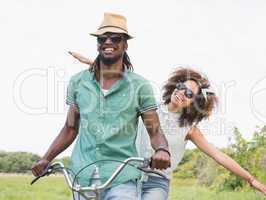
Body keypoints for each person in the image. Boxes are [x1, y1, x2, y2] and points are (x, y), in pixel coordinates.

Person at [69, 52, 266, 200]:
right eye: (181, 87)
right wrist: (94, 64)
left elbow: (218, 155)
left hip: (156, 181)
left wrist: (251, 179)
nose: (181, 93)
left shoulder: (190, 129)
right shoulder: (148, 108)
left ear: (195, 102)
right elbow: (127, 80)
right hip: (127, 175)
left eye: (189, 93)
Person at [31, 13, 171, 200]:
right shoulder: (78, 82)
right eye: (102, 38)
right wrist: (46, 158)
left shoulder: (140, 86)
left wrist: (162, 150)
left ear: (125, 44)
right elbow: (70, 128)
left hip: (122, 176)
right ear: (97, 44)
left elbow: (155, 131)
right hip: (82, 174)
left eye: (115, 38)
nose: (108, 42)